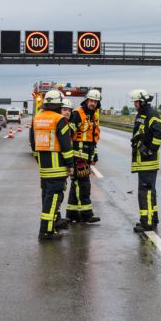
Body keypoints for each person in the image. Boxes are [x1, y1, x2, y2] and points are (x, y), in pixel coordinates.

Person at [28, 90, 74, 240]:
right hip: (57, 167)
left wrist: (38, 159)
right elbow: (66, 145)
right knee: (54, 199)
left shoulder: (37, 118)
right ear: (58, 104)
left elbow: (33, 143)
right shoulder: (59, 120)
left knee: (47, 198)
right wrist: (70, 164)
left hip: (44, 167)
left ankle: (49, 228)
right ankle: (46, 232)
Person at [129, 89, 161, 232]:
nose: (135, 105)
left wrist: (151, 150)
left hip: (147, 161)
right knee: (149, 191)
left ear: (141, 101)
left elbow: (159, 133)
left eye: (136, 102)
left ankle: (147, 223)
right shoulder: (142, 114)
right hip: (143, 161)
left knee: (146, 192)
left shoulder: (151, 114)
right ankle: (152, 219)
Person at [65, 90, 102, 224]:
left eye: (95, 101)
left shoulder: (93, 116)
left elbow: (93, 138)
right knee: (83, 185)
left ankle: (72, 214)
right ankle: (86, 215)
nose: (92, 103)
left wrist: (95, 154)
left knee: (76, 185)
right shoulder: (77, 114)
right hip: (77, 155)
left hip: (87, 155)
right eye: (91, 100)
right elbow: (68, 135)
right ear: (86, 100)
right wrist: (69, 157)